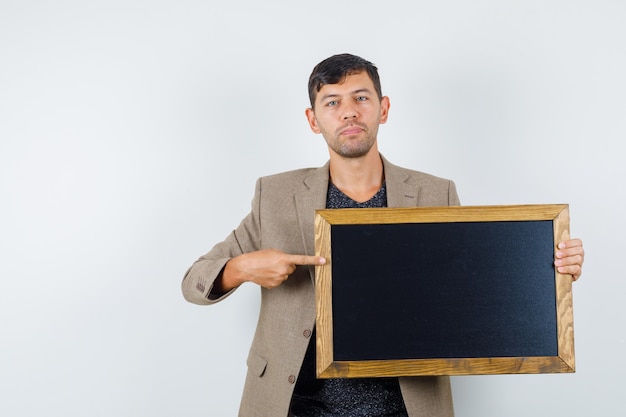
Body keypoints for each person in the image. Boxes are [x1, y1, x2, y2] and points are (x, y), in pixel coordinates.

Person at [181, 53, 585, 417]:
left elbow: (474, 292)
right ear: (313, 119)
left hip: (405, 406)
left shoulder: (434, 193)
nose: (349, 112)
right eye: (332, 102)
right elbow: (194, 281)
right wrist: (242, 267)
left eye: (361, 97)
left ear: (383, 108)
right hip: (295, 406)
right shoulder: (276, 195)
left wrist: (548, 267)